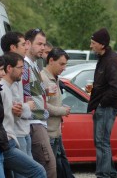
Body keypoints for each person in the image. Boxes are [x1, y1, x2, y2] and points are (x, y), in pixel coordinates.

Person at [87, 28, 117, 178]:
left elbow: (116, 88)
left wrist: (101, 103)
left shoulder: (112, 60)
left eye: (93, 43)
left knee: (102, 142)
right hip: (103, 106)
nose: (91, 46)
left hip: (107, 107)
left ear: (102, 44)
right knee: (102, 142)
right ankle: (110, 173)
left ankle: (103, 175)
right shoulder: (104, 58)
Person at [0, 52, 46, 178]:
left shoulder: (7, 87)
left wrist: (19, 110)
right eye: (21, 68)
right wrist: (24, 108)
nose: (23, 71)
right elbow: (4, 116)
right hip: (7, 141)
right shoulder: (3, 88)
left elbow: (12, 114)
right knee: (38, 171)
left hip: (11, 139)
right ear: (9, 68)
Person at [23, 28, 57, 178]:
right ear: (28, 44)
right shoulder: (24, 66)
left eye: (44, 44)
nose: (43, 48)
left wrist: (44, 91)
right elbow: (19, 92)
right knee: (49, 167)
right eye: (39, 44)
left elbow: (31, 90)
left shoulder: (35, 65)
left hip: (38, 121)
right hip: (34, 122)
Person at [40, 47, 74, 178]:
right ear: (51, 61)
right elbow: (41, 104)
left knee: (60, 168)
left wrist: (61, 106)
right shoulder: (43, 78)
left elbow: (51, 101)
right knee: (50, 170)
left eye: (65, 64)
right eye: (62, 64)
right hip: (48, 133)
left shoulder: (55, 77)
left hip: (56, 132)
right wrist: (61, 110)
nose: (64, 68)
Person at [0, 31, 34, 158]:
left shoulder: (19, 68)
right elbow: (14, 108)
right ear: (13, 47)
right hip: (15, 133)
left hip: (24, 129)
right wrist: (28, 106)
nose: (26, 47)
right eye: (23, 44)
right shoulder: (9, 73)